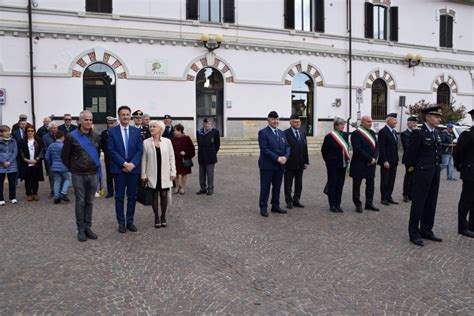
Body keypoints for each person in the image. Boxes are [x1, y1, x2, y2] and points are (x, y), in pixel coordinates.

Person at [407, 106, 444, 247]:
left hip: (434, 173)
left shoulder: (437, 133)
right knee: (418, 204)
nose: (439, 119)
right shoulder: (419, 134)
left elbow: (437, 153)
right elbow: (410, 156)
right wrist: (413, 172)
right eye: (436, 116)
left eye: (439, 117)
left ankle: (426, 230)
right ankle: (414, 233)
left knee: (431, 203)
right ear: (428, 117)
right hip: (422, 174)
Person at [62, 110, 101, 242]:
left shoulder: (96, 136)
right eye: (86, 120)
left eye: (90, 120)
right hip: (78, 174)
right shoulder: (71, 137)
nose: (89, 122)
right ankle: (81, 230)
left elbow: (97, 153)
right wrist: (74, 168)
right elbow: (65, 156)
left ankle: (88, 228)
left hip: (93, 174)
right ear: (79, 121)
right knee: (80, 202)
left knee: (89, 202)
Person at [108, 105, 143, 233]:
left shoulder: (136, 131)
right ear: (119, 116)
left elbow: (140, 150)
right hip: (119, 170)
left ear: (130, 116)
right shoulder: (112, 132)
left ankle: (130, 221)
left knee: (132, 197)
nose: (125, 117)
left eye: (127, 114)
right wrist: (124, 164)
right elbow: (111, 151)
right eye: (123, 114)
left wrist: (132, 164)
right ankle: (121, 223)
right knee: (119, 197)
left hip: (133, 170)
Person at [141, 120, 176, 228]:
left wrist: (173, 171)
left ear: (160, 129)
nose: (151, 128)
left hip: (165, 173)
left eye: (154, 127)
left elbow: (171, 157)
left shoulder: (167, 142)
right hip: (152, 174)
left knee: (164, 195)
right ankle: (156, 216)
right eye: (150, 127)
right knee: (154, 196)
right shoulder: (146, 142)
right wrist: (143, 174)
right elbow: (144, 160)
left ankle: (163, 216)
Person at [258, 111, 290, 217]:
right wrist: (277, 158)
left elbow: (288, 147)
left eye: (277, 119)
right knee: (265, 187)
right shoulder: (263, 132)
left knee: (277, 187)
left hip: (279, 165)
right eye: (273, 119)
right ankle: (263, 207)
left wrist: (286, 156)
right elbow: (264, 149)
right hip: (267, 165)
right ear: (268, 120)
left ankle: (275, 206)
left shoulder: (281, 133)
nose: (275, 121)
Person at [350, 115, 380, 213]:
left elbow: (376, 146)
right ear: (362, 122)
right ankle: (357, 204)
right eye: (368, 122)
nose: (370, 123)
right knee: (357, 186)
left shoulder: (372, 132)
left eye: (371, 121)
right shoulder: (356, 134)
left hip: (371, 163)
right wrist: (369, 158)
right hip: (359, 163)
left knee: (370, 184)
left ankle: (369, 203)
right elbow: (358, 149)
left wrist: (375, 158)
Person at [321, 117, 350, 213]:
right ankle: (332, 204)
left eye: (344, 124)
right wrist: (328, 161)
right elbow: (324, 151)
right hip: (332, 164)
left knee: (340, 184)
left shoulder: (345, 135)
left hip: (343, 164)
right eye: (341, 125)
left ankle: (338, 204)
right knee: (333, 183)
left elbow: (346, 148)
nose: (343, 126)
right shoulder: (329, 137)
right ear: (336, 126)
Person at [453, 109, 474, 238]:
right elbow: (458, 153)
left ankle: (472, 226)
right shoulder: (467, 134)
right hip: (470, 171)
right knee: (466, 200)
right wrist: (460, 166)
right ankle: (462, 227)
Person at [284, 114, 309, 209]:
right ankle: (288, 201)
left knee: (299, 183)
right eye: (295, 122)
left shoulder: (302, 133)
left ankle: (296, 199)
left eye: (299, 122)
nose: (297, 123)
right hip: (289, 163)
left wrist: (306, 161)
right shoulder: (285, 133)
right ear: (290, 122)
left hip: (300, 163)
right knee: (288, 183)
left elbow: (305, 148)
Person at [18, 124, 44, 202]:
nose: (30, 132)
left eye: (32, 131)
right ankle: (29, 194)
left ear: (34, 132)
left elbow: (42, 150)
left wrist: (37, 158)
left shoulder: (39, 140)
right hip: (26, 163)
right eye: (28, 131)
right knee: (28, 180)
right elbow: (21, 151)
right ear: (26, 132)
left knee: (35, 179)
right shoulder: (22, 141)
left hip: (36, 163)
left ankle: (35, 193)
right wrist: (25, 159)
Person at [378, 113, 399, 205]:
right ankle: (384, 198)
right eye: (394, 120)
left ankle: (389, 196)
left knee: (392, 180)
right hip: (386, 161)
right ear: (389, 120)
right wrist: (384, 160)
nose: (396, 122)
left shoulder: (394, 132)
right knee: (385, 180)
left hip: (394, 160)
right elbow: (382, 148)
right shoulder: (383, 131)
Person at [45, 130, 71, 204]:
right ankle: (63, 193)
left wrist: (51, 163)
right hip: (64, 167)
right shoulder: (64, 146)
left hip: (54, 166)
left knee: (57, 181)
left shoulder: (51, 145)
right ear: (62, 137)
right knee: (67, 179)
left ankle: (56, 197)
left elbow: (47, 157)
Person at [196, 118, 220, 195]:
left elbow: (217, 145)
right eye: (205, 123)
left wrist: (212, 152)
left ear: (211, 124)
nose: (206, 125)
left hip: (210, 156)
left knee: (210, 174)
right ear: (203, 124)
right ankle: (203, 188)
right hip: (201, 155)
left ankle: (210, 189)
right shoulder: (199, 132)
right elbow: (199, 143)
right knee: (201, 174)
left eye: (208, 123)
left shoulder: (215, 132)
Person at [171, 123, 195, 194]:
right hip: (175, 159)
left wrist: (186, 153)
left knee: (183, 174)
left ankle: (183, 188)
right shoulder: (173, 139)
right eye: (174, 131)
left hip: (184, 160)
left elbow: (192, 149)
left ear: (180, 131)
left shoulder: (186, 138)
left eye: (175, 131)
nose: (174, 132)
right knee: (175, 174)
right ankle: (177, 187)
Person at [401, 116, 418, 202]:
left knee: (415, 177)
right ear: (408, 124)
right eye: (413, 123)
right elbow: (408, 146)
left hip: (417, 159)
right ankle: (405, 194)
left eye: (415, 123)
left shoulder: (417, 133)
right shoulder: (405, 134)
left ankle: (412, 193)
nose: (415, 124)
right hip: (409, 159)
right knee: (408, 176)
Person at [100, 116, 118, 198]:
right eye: (109, 123)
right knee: (109, 175)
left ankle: (118, 192)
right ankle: (110, 192)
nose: (110, 125)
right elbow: (102, 145)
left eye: (112, 123)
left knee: (118, 176)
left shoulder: (119, 132)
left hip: (117, 158)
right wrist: (106, 152)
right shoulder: (104, 133)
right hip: (108, 157)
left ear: (115, 123)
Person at [0, 125, 18, 205]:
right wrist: (3, 161)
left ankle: (13, 197)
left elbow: (15, 152)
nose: (8, 133)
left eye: (8, 131)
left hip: (12, 164)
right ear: (1, 133)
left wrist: (9, 162)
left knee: (12, 182)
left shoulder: (13, 141)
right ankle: (1, 199)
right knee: (0, 183)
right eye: (6, 131)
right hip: (1, 165)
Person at [42, 121, 59, 198]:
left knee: (60, 176)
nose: (56, 129)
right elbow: (45, 149)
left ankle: (60, 192)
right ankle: (53, 191)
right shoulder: (45, 137)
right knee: (52, 177)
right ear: (50, 129)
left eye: (56, 128)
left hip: (60, 160)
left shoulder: (60, 135)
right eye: (54, 128)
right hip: (50, 161)